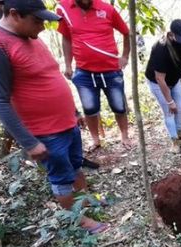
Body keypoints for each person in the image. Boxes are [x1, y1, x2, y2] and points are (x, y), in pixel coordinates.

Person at [0, 0, 108, 233]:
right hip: (45, 132)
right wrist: (29, 142)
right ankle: (77, 219)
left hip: (66, 123)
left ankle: (85, 199)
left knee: (75, 165)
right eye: (37, 20)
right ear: (15, 14)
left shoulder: (29, 36)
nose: (42, 26)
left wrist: (74, 112)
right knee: (61, 176)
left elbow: (49, 75)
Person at [56, 0, 131, 151]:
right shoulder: (64, 8)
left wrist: (125, 56)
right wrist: (68, 64)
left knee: (119, 106)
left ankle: (124, 136)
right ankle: (95, 140)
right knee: (90, 109)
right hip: (84, 72)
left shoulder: (106, 9)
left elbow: (126, 31)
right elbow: (66, 38)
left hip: (111, 70)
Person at [145, 20, 181, 154]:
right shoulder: (160, 49)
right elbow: (160, 79)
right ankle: (174, 140)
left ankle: (179, 131)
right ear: (171, 35)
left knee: (180, 108)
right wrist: (169, 101)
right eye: (180, 39)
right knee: (169, 110)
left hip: (175, 80)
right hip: (158, 83)